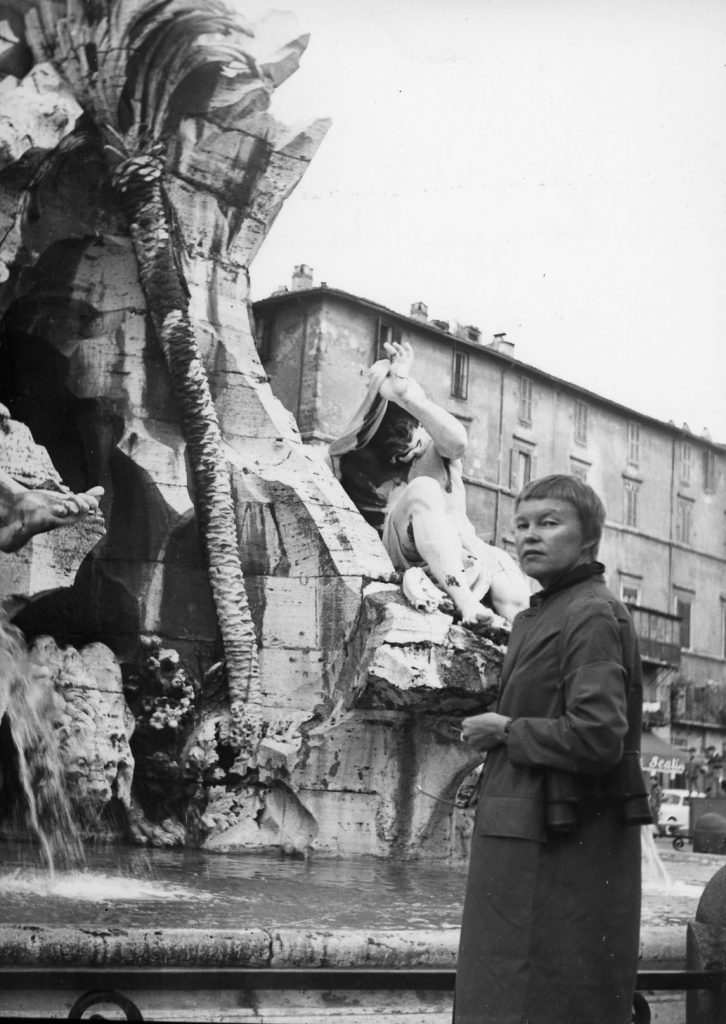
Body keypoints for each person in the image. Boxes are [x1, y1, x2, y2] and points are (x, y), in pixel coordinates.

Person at [454, 474, 651, 1024]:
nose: (529, 536)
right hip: (526, 839)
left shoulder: (590, 613)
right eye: (521, 525)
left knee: (537, 997)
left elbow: (598, 735)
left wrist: (505, 731)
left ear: (588, 539)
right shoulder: (538, 615)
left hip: (556, 847)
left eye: (548, 523)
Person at [328, 340, 530, 625]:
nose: (404, 429)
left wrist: (407, 395)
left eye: (408, 420)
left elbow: (459, 441)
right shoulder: (347, 460)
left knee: (508, 578)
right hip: (400, 550)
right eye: (392, 420)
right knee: (424, 489)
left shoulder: (436, 447)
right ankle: (466, 603)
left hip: (463, 545)